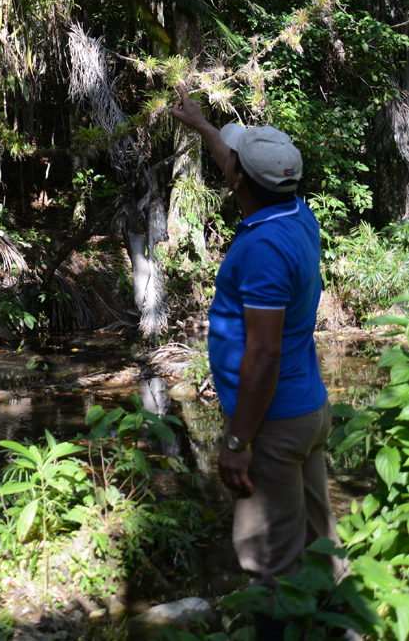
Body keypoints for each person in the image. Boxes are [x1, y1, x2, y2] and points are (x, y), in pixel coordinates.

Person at [170, 82, 344, 636]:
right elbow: (238, 162)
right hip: (308, 410)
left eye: (235, 164)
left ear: (240, 181)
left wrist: (238, 441)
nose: (230, 164)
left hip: (273, 423)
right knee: (319, 544)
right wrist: (202, 125)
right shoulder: (296, 213)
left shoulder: (263, 249)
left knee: (269, 561)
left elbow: (264, 355)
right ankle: (340, 628)